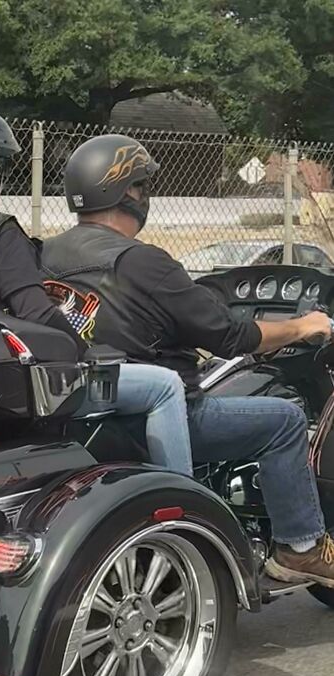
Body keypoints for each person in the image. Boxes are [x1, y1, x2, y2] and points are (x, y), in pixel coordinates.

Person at [41, 133, 334, 587]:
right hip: (163, 413)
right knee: (285, 419)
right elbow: (230, 335)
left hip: (88, 410)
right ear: (130, 192)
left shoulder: (48, 255)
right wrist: (301, 326)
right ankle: (300, 547)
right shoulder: (144, 262)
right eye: (142, 185)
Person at [0, 105, 194, 475]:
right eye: (0, 166)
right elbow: (35, 313)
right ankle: (189, 502)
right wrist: (91, 352)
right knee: (165, 385)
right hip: (24, 384)